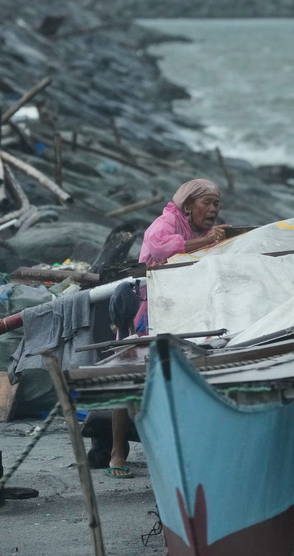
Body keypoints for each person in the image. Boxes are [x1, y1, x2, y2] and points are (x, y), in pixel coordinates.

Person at [108, 178, 229, 478]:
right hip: (147, 309)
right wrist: (207, 241)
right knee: (131, 376)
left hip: (184, 310)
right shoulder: (165, 223)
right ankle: (116, 450)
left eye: (216, 204)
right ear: (188, 206)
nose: (213, 209)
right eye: (207, 203)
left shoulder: (204, 232)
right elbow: (160, 249)